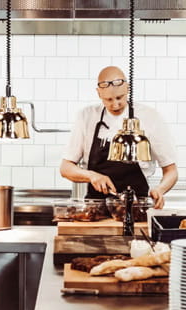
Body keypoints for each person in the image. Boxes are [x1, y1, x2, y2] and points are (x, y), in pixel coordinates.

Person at [60, 66, 178, 209]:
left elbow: (171, 171)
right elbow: (65, 168)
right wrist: (92, 176)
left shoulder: (150, 117)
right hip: (96, 209)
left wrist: (160, 190)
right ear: (98, 93)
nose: (115, 104)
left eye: (119, 97)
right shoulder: (86, 116)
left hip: (136, 207)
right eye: (108, 99)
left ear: (128, 89)